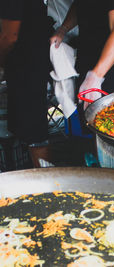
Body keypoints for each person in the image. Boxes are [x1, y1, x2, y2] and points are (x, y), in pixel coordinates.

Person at [50, 0, 114, 111]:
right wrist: (63, 29)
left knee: (109, 123)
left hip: (111, 69)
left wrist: (96, 76)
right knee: (86, 121)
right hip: (86, 63)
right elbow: (80, 4)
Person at [0, 0, 55, 168]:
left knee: (35, 133)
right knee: (30, 130)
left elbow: (9, 36)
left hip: (28, 66)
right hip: (26, 63)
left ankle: (50, 185)